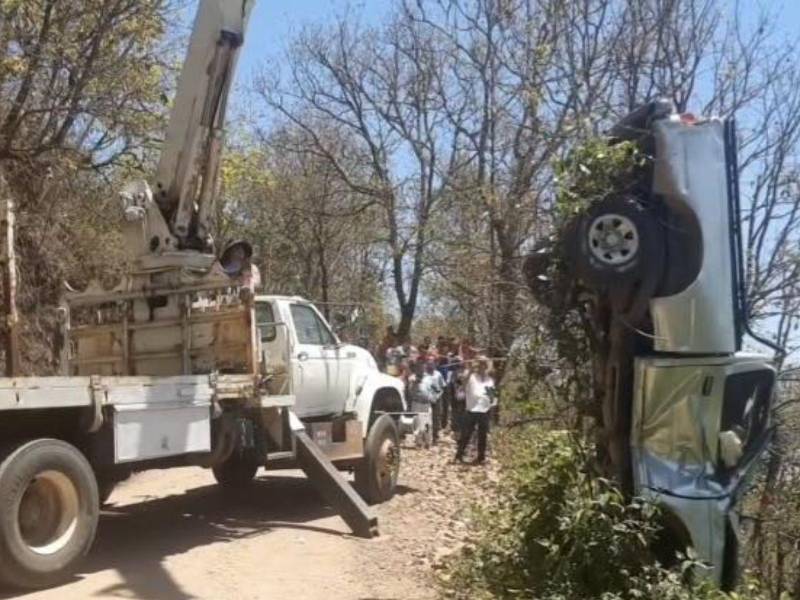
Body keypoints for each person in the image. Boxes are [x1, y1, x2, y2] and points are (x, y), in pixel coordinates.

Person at [455, 356, 497, 464]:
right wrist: (470, 370)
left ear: (486, 367)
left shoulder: (489, 380)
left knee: (482, 435)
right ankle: (459, 455)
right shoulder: (471, 377)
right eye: (480, 365)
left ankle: (481, 457)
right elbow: (462, 383)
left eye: (484, 365)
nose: (482, 367)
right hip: (472, 410)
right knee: (466, 434)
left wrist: (492, 410)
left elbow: (492, 397)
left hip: (484, 411)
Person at [418, 357, 446, 444]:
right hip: (426, 400)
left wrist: (438, 396)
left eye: (432, 363)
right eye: (429, 363)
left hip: (437, 399)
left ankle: (435, 437)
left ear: (435, 364)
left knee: (436, 418)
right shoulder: (423, 374)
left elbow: (442, 387)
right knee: (424, 419)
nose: (431, 365)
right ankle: (424, 438)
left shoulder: (438, 374)